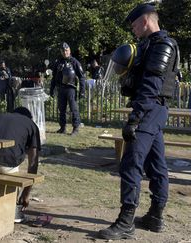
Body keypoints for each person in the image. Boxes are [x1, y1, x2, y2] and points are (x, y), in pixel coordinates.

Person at [98, 3, 180, 240]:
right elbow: (138, 79)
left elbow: (153, 86)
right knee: (156, 163)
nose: (133, 29)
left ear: (145, 21)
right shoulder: (147, 45)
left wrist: (135, 118)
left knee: (131, 163)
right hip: (150, 108)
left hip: (150, 108)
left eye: (134, 24)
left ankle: (126, 222)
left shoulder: (163, 45)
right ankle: (155, 216)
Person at [49, 42, 85, 135]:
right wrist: (51, 89)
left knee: (73, 109)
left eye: (66, 50)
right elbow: (54, 77)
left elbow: (81, 77)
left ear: (69, 50)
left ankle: (76, 128)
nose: (65, 52)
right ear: (61, 52)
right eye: (63, 51)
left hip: (71, 89)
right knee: (62, 109)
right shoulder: (58, 63)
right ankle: (63, 128)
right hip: (61, 88)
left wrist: (82, 90)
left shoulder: (75, 62)